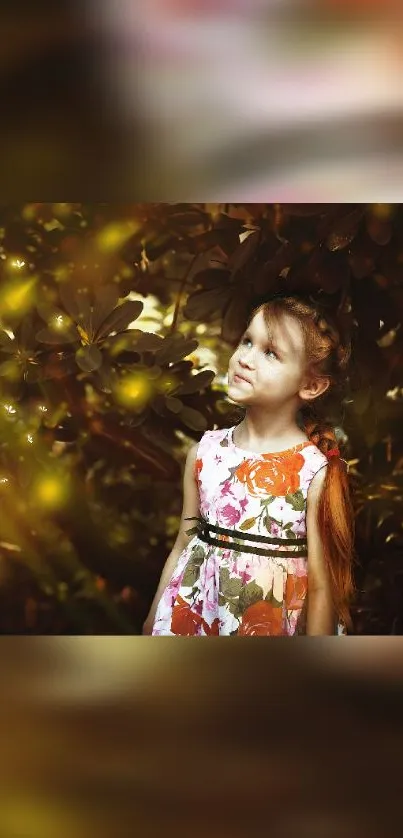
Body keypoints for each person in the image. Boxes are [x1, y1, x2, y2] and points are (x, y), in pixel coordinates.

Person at [142, 295, 355, 636]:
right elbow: (183, 545)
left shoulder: (313, 472)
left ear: (311, 385)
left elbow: (319, 587)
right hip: (191, 624)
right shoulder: (204, 453)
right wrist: (151, 621)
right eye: (247, 342)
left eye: (270, 352)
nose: (245, 358)